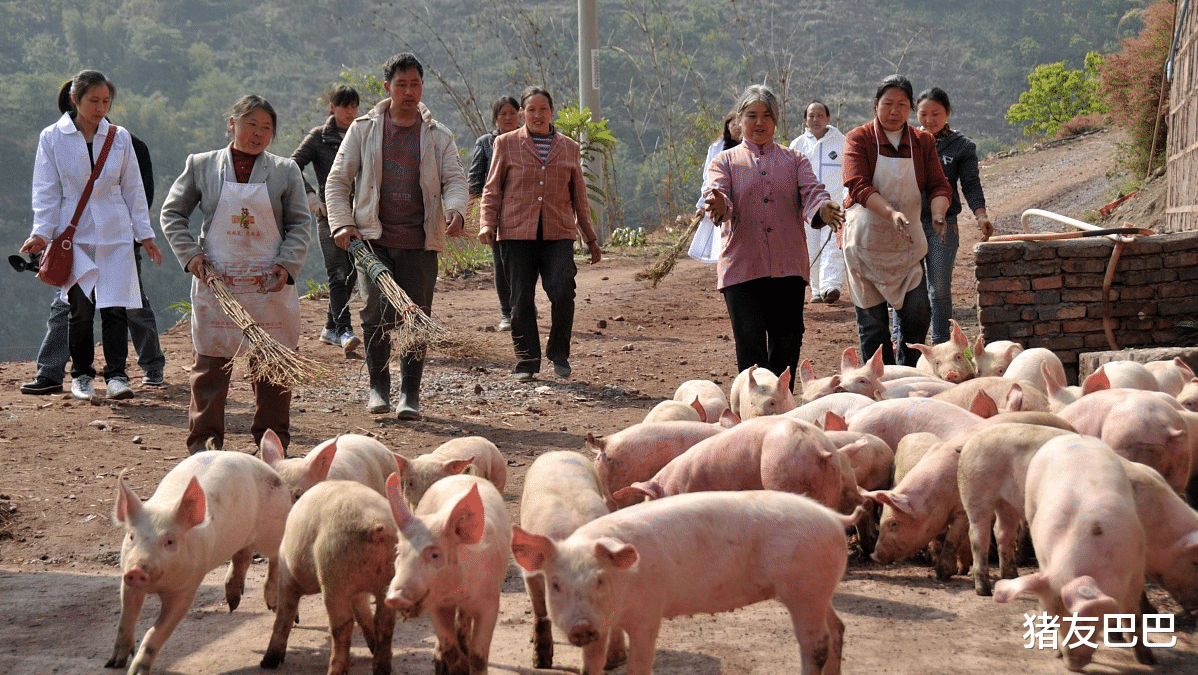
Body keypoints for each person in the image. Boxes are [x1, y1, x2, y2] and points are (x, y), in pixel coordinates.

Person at [160, 94, 311, 454]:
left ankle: (272, 444)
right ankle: (205, 444)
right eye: (250, 124)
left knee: (273, 364)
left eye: (266, 128)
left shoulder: (286, 170)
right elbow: (172, 214)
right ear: (232, 124)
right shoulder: (202, 165)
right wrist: (192, 256)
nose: (257, 134)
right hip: (218, 280)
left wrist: (285, 265)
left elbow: (300, 225)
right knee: (211, 364)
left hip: (267, 284)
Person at [326, 53, 467, 419]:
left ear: (422, 87)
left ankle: (410, 393)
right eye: (401, 84)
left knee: (416, 316)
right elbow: (338, 182)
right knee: (374, 311)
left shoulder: (438, 136)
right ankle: (378, 386)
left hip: (420, 243)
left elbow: (454, 179)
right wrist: (342, 223)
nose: (409, 91)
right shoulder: (364, 130)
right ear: (387, 86)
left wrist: (456, 210)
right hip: (373, 240)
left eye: (415, 84)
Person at [19, 70, 162, 401]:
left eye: (105, 101)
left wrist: (145, 233)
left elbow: (133, 189)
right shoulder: (52, 138)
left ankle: (117, 376)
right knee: (79, 309)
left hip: (115, 231)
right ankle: (82, 375)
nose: (100, 108)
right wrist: (41, 232)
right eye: (93, 101)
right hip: (74, 233)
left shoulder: (120, 137)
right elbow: (46, 188)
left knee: (115, 308)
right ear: (75, 99)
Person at [702, 84, 843, 389]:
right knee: (750, 347)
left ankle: (783, 412)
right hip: (742, 268)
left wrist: (824, 209)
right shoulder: (724, 162)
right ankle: (753, 417)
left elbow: (812, 193)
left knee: (787, 343)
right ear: (739, 121)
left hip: (787, 266)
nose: (759, 122)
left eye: (767, 115)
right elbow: (717, 192)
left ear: (776, 121)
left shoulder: (794, 160)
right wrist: (719, 203)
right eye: (751, 115)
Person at [479, 86, 603, 382]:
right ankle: (527, 360)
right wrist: (487, 223)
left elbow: (580, 198)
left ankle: (558, 352)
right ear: (522, 114)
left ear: (552, 112)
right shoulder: (506, 144)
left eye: (543, 109)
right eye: (531, 110)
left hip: (558, 231)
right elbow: (492, 188)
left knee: (562, 290)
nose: (537, 115)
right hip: (514, 232)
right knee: (520, 298)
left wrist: (590, 237)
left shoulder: (569, 147)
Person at [842, 74, 952, 367]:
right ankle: (879, 383)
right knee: (874, 324)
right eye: (887, 103)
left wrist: (939, 213)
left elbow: (939, 186)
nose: (894, 111)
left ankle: (908, 372)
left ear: (910, 109)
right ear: (875, 105)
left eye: (902, 104)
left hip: (905, 245)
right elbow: (858, 185)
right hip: (865, 245)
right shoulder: (860, 138)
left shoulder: (922, 142)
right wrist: (891, 213)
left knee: (918, 312)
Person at [915, 87, 992, 343]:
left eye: (935, 114)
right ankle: (903, 344)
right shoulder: (907, 142)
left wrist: (981, 216)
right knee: (908, 291)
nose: (929, 120)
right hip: (909, 225)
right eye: (923, 114)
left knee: (938, 290)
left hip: (943, 226)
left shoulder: (962, 146)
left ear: (947, 113)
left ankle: (940, 345)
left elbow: (970, 184)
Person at [291, 84, 362, 355]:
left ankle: (330, 327)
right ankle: (345, 330)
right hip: (329, 215)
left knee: (354, 273)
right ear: (332, 107)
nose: (350, 111)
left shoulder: (362, 133)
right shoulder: (319, 137)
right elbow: (292, 166)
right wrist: (310, 196)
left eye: (354, 106)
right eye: (345, 106)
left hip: (359, 216)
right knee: (338, 271)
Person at [468, 95, 521, 331]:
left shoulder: (529, 140)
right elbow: (475, 180)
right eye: (503, 114)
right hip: (497, 214)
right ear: (496, 118)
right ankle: (506, 313)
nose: (508, 118)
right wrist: (475, 212)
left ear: (520, 114)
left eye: (512, 113)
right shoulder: (486, 143)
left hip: (525, 212)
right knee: (501, 263)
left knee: (525, 263)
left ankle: (523, 304)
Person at [790, 100, 847, 304]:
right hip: (807, 208)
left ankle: (831, 286)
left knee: (832, 245)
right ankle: (815, 289)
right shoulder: (797, 146)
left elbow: (848, 172)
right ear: (805, 119)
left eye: (820, 115)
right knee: (810, 247)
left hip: (835, 205)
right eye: (811, 115)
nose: (815, 119)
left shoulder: (841, 142)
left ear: (828, 118)